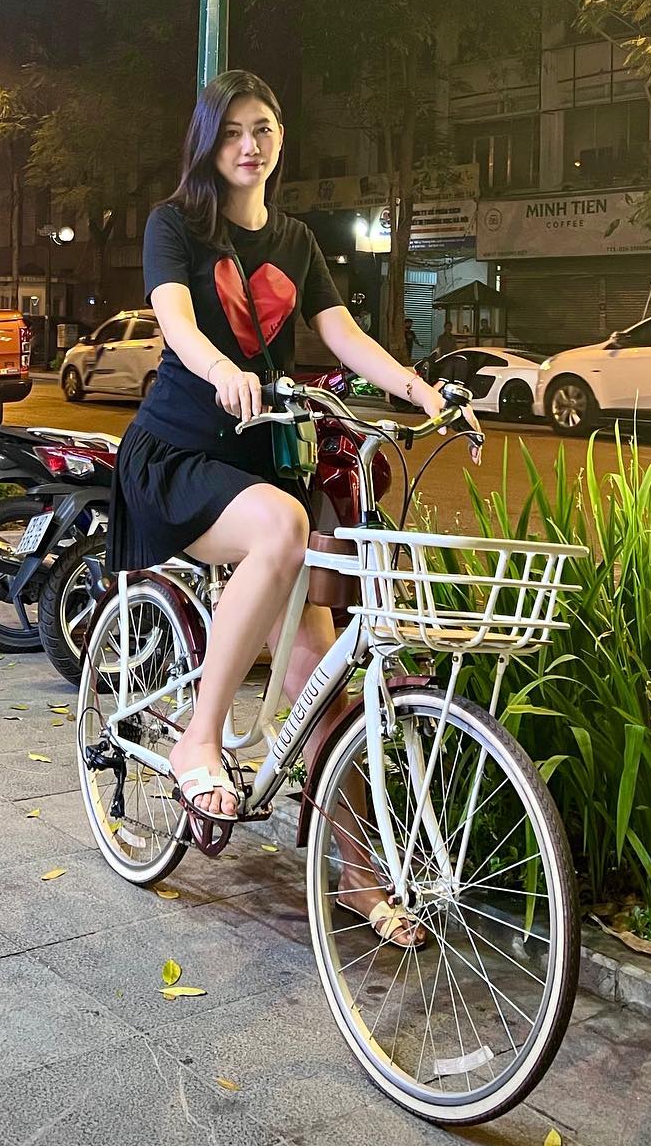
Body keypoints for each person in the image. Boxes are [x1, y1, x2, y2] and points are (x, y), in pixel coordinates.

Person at [106, 69, 477, 945]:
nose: (250, 144)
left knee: (321, 670)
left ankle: (357, 874)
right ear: (209, 140)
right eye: (233, 129)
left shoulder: (296, 241)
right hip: (180, 454)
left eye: (264, 128)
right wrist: (221, 369)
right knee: (283, 525)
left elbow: (343, 335)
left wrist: (425, 393)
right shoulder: (175, 225)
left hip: (264, 460)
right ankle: (201, 739)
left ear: (281, 137)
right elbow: (177, 322)